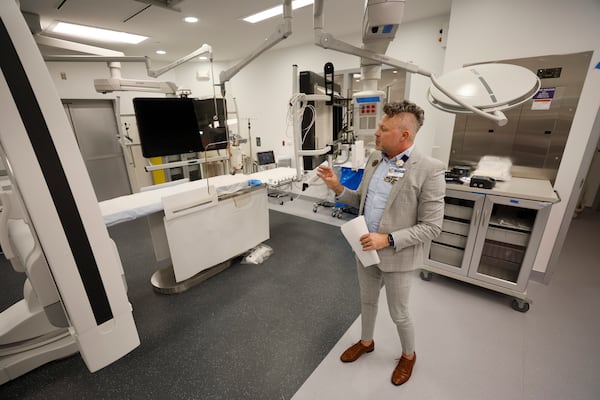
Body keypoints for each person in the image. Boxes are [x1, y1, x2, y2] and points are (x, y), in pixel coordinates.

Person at [316, 100, 445, 386]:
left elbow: (432, 226)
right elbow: (358, 201)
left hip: (397, 255)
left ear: (404, 136)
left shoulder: (429, 170)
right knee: (367, 301)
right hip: (365, 248)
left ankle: (408, 356)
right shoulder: (375, 159)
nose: (375, 133)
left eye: (383, 128)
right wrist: (337, 186)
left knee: (399, 312)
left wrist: (387, 239)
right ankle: (366, 341)